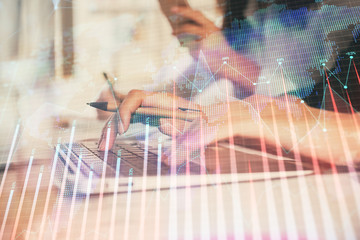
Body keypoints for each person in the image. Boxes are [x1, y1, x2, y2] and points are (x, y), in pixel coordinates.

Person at [97, 0, 360, 168]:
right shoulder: (245, 13)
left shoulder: (336, 14)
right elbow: (192, 89)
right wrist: (134, 103)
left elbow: (314, 105)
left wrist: (229, 64)